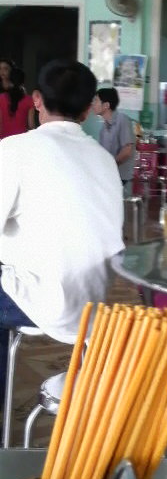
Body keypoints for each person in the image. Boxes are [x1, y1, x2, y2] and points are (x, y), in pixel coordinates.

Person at [0, 60, 124, 401]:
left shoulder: (14, 150)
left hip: (41, 301)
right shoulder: (104, 159)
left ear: (36, 100)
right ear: (87, 111)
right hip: (92, 301)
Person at [92, 88, 135, 190]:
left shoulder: (122, 120)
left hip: (122, 178)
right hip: (109, 176)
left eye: (96, 100)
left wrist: (110, 165)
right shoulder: (104, 128)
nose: (93, 104)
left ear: (106, 105)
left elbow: (127, 151)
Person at [0, 66, 35, 138]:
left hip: (4, 141)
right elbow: (31, 126)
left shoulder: (1, 98)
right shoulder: (30, 100)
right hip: (21, 142)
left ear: (9, 80)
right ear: (23, 82)